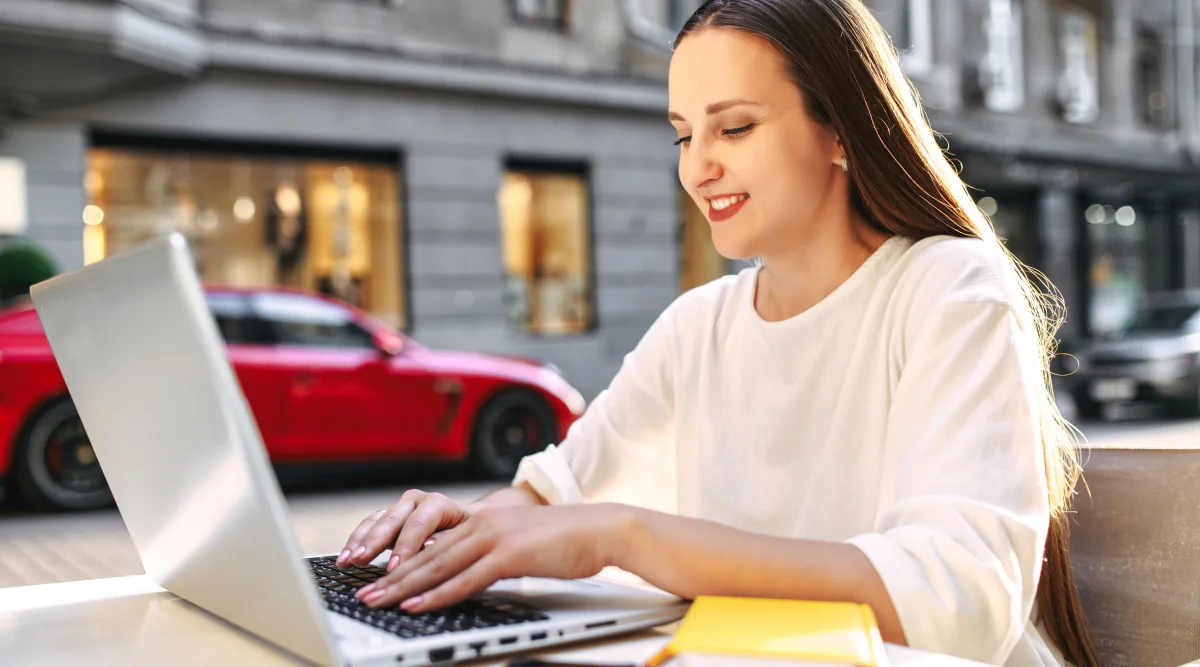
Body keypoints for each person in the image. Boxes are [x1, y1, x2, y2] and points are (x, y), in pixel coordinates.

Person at [336, 2, 1101, 665]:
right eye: (682, 136)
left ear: (841, 131)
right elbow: (551, 497)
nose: (698, 167)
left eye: (733, 127)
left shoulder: (948, 287)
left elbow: (958, 602)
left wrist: (623, 536)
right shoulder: (699, 325)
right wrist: (450, 533)